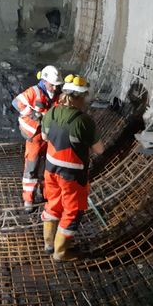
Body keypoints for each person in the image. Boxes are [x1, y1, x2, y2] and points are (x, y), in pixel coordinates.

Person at [40, 74, 105, 262]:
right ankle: (60, 253)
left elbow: (45, 138)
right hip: (71, 175)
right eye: (84, 97)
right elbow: (99, 150)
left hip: (50, 169)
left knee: (53, 203)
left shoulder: (52, 112)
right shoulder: (83, 121)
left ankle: (49, 244)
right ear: (78, 98)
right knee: (72, 211)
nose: (85, 101)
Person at [12, 65, 63, 212]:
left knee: (49, 166)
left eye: (56, 85)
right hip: (34, 136)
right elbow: (16, 103)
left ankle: (45, 193)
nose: (54, 87)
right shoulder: (34, 91)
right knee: (31, 168)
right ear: (45, 81)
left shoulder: (57, 94)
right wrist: (34, 114)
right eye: (52, 84)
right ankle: (28, 200)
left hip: (49, 136)